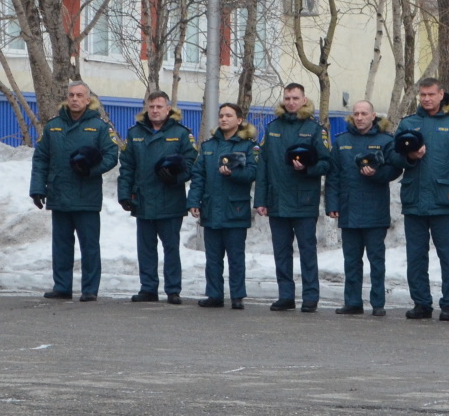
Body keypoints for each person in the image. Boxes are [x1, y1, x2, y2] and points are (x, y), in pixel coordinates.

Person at [29, 81, 119, 301]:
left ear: (88, 100)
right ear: (67, 98)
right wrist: (38, 188)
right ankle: (62, 286)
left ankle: (90, 289)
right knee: (61, 245)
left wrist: (90, 170)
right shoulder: (53, 126)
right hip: (59, 194)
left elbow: (111, 156)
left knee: (89, 246)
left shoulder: (99, 127)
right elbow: (41, 158)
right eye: (71, 95)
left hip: (86, 196)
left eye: (79, 95)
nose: (75, 99)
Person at [395, 77, 449, 321]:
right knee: (416, 257)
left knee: (447, 256)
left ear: (441, 95)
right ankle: (421, 303)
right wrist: (410, 156)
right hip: (414, 200)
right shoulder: (408, 123)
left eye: (431, 94)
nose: (426, 99)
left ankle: (448, 304)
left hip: (445, 201)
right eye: (423, 95)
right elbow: (393, 157)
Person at [256, 82, 330, 312]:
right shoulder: (272, 128)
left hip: (303, 201)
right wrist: (260, 200)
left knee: (307, 252)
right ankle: (286, 296)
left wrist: (307, 168)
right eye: (287, 98)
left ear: (304, 100)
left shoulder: (315, 129)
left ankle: (310, 297)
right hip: (277, 200)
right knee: (281, 252)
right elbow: (263, 166)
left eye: (295, 98)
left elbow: (327, 163)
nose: (291, 102)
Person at [119, 91, 199, 305]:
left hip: (170, 200)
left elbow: (191, 164)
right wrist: (124, 194)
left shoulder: (181, 133)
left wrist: (175, 177)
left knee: (171, 248)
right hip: (143, 199)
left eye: (159, 107)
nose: (155, 110)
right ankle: (148, 288)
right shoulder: (135, 133)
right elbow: (127, 166)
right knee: (146, 248)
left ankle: (173, 290)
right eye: (151, 106)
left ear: (168, 109)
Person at [327, 100, 401, 315]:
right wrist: (332, 204)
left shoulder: (385, 140)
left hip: (375, 210)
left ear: (373, 116)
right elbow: (333, 176)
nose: (359, 117)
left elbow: (395, 170)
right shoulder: (342, 141)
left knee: (376, 261)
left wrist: (377, 173)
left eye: (364, 114)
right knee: (351, 260)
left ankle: (378, 303)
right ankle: (352, 302)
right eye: (356, 113)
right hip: (348, 209)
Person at [189, 102, 256, 308]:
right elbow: (198, 176)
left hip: (235, 209)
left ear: (239, 120)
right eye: (221, 116)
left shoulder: (248, 146)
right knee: (213, 257)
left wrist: (233, 173)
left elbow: (253, 173)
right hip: (211, 209)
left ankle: (237, 296)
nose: (224, 119)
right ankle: (214, 295)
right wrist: (194, 201)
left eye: (228, 115)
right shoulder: (208, 146)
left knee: (236, 257)